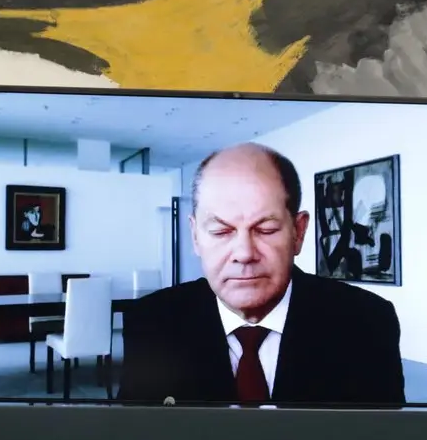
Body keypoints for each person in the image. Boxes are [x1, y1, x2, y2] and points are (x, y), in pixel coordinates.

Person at [118, 143, 405, 407]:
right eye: (221, 231)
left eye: (266, 229)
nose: (244, 253)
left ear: (299, 232)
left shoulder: (366, 322)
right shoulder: (152, 323)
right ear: (195, 236)